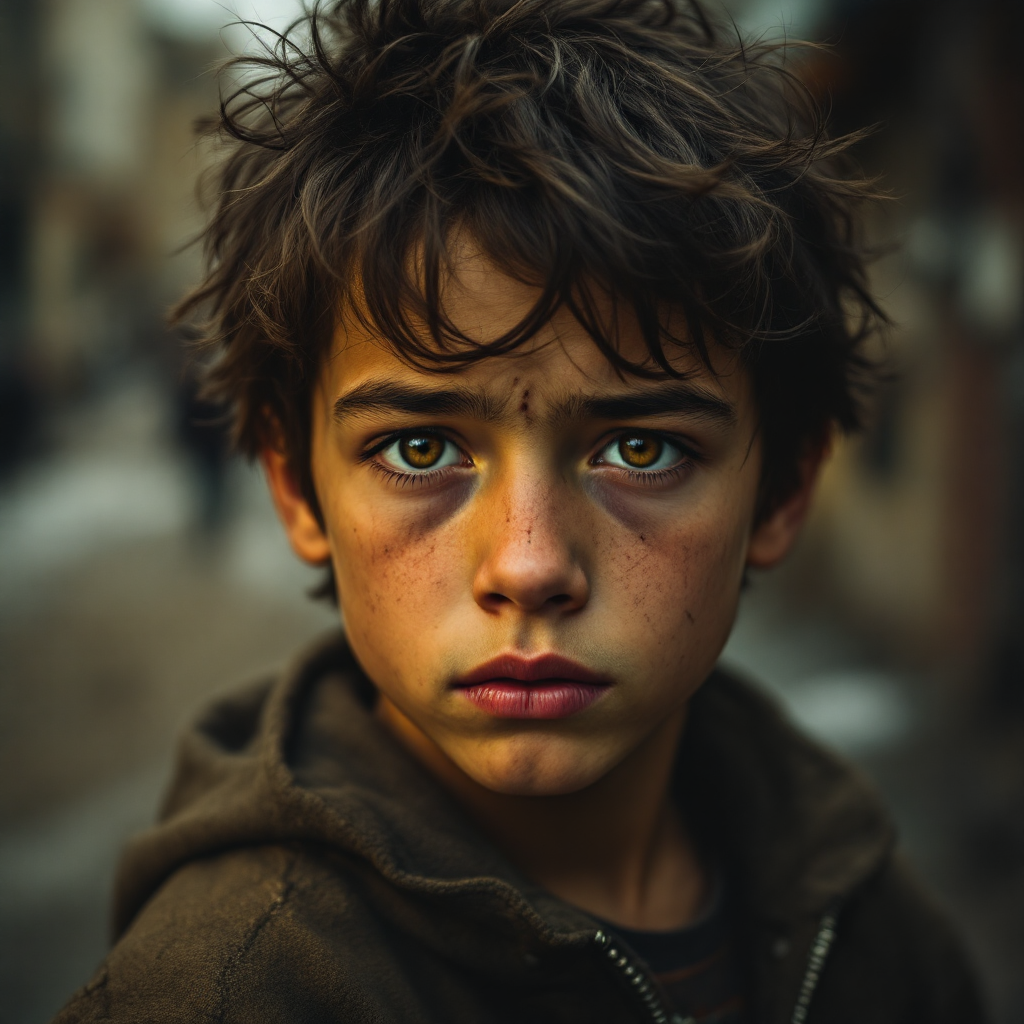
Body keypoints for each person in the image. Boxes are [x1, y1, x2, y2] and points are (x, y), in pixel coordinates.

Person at [53, 1, 986, 1021]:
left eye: (641, 449)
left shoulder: (875, 927)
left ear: (781, 487)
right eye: (420, 448)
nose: (529, 564)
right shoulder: (225, 991)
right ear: (297, 487)